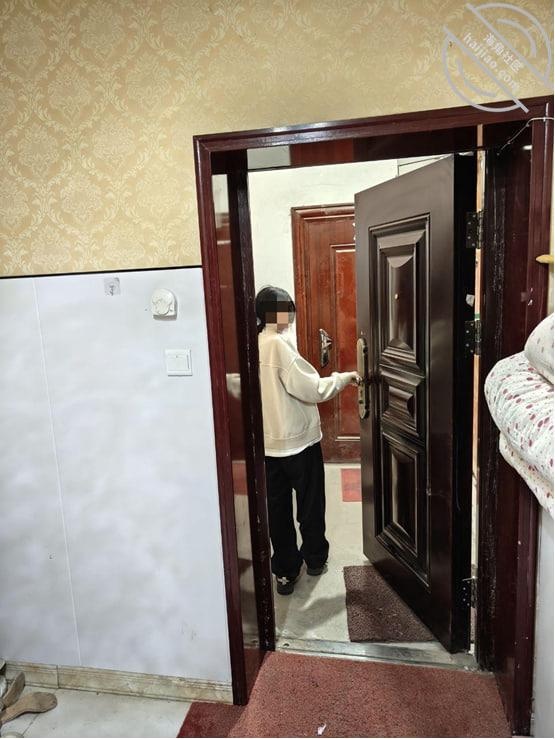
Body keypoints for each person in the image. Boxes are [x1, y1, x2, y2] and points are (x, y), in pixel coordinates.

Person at [256, 285, 358, 595]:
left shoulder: (253, 343)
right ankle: (314, 559)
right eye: (286, 311)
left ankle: (285, 571)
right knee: (310, 504)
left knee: (277, 511)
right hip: (299, 443)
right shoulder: (279, 346)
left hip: (267, 447)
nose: (289, 317)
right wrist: (342, 378)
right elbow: (311, 389)